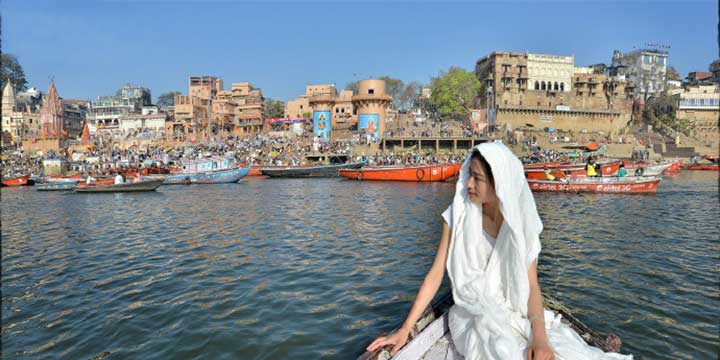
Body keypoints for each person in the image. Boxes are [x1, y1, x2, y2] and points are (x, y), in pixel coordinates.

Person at [367, 143, 631, 360]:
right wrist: (404, 330)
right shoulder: (457, 214)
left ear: (499, 184)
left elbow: (531, 286)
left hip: (514, 312)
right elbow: (435, 275)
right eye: (469, 174)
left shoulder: (520, 223)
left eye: (478, 178)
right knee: (503, 352)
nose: (468, 183)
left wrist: (540, 338)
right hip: (472, 315)